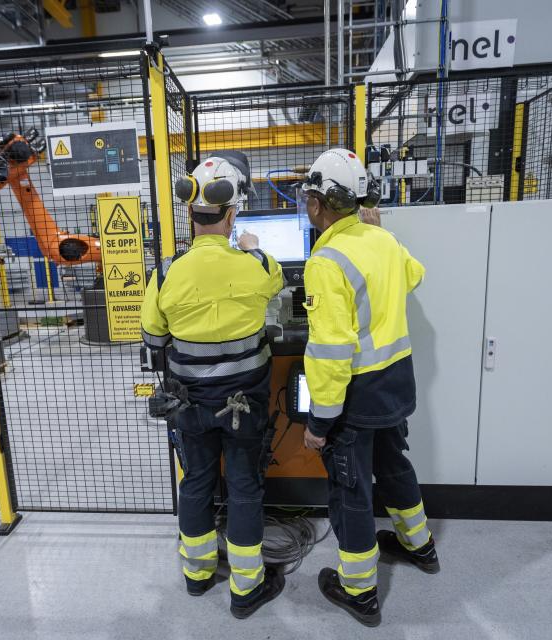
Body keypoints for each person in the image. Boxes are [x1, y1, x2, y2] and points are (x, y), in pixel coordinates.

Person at [141, 153, 285, 619]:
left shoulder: (166, 272)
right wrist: (253, 247)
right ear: (231, 213)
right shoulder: (258, 265)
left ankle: (198, 574)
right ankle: (246, 588)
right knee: (244, 485)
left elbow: (153, 337)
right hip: (245, 404)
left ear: (190, 212)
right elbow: (276, 291)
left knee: (197, 482)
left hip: (189, 406)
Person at [299, 148, 439, 627]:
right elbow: (413, 276)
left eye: (307, 198)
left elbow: (332, 353)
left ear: (319, 204)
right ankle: (419, 546)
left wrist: (319, 422)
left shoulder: (326, 260)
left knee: (350, 490)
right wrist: (381, 237)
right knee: (395, 465)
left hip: (356, 397)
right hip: (396, 384)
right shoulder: (381, 239)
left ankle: (358, 591)